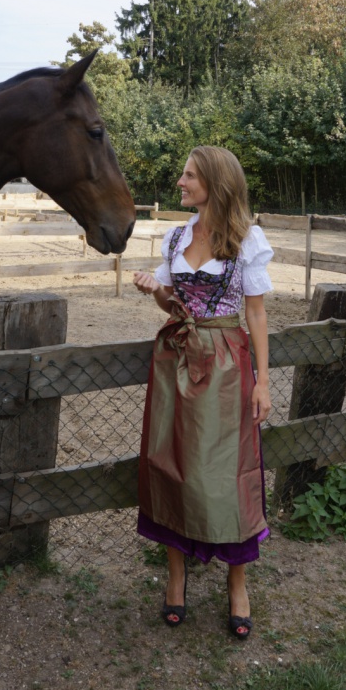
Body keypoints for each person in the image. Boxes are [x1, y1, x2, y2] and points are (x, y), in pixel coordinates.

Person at [132, 146, 273, 640]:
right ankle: (176, 577)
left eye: (189, 175)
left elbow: (255, 314)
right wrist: (154, 289)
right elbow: (172, 304)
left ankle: (238, 584)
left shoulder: (246, 239)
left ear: (214, 182)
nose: (180, 181)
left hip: (228, 364)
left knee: (225, 474)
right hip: (175, 359)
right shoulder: (176, 236)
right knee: (171, 464)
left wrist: (264, 382)